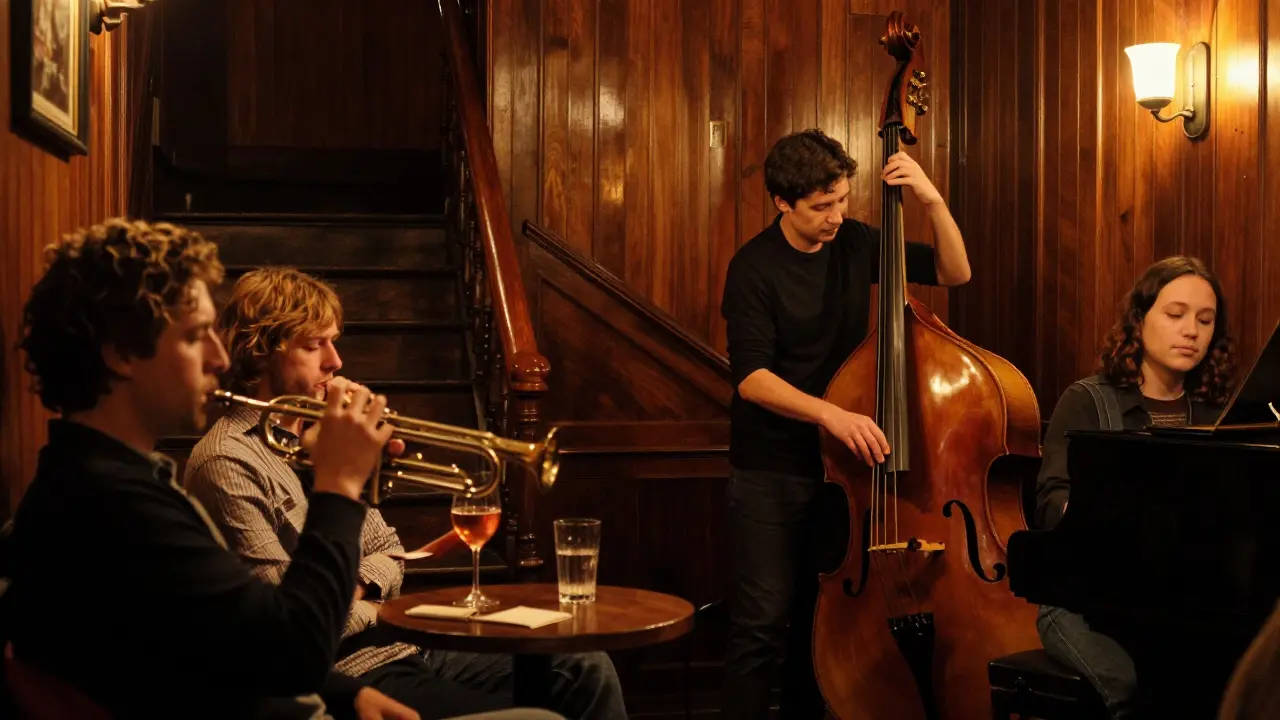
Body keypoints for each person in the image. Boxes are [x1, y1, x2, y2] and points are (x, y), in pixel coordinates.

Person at [0, 218, 562, 720]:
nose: (222, 359)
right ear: (122, 353)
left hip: (323, 691)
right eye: (196, 337)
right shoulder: (112, 506)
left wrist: (344, 695)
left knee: (573, 672)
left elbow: (226, 641)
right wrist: (339, 484)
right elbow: (286, 648)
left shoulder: (118, 483)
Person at [183, 266, 628, 720]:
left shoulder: (322, 434)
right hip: (347, 671)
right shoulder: (227, 462)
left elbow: (390, 551)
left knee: (585, 666)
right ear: (261, 352)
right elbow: (294, 626)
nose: (335, 362)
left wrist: (356, 587)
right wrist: (375, 606)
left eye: (334, 341)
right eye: (314, 344)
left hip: (406, 645)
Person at [718, 128, 973, 719]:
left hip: (844, 471)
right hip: (771, 468)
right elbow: (752, 378)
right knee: (762, 622)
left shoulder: (856, 241)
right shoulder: (753, 268)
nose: (836, 216)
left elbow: (955, 272)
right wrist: (831, 412)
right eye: (820, 206)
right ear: (784, 203)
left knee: (820, 617)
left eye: (841, 200)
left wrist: (932, 200)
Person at [1033, 255, 1236, 719]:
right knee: (1133, 683)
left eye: (1205, 321)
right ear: (1140, 319)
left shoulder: (1218, 414)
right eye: (1175, 314)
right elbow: (1051, 504)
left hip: (1182, 599)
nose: (1191, 331)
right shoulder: (1087, 400)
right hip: (1084, 601)